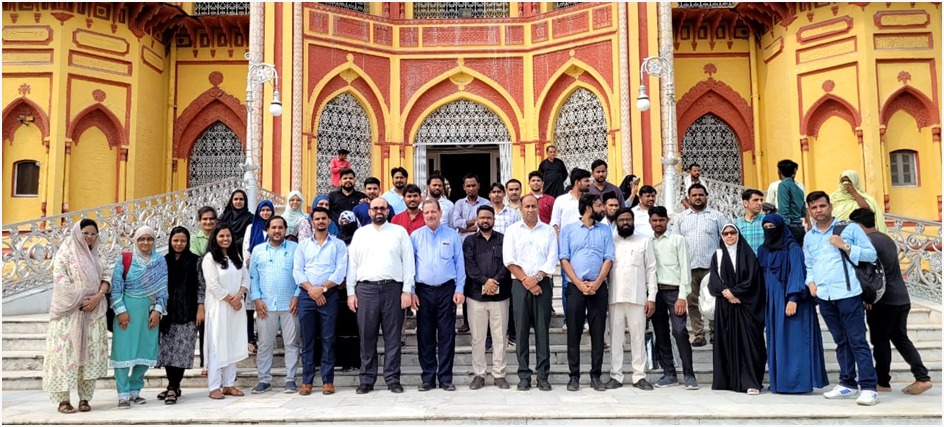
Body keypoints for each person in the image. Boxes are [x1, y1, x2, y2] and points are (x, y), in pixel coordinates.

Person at [803, 191, 879, 406]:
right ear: (809, 210)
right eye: (814, 207)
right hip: (824, 295)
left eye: (822, 206)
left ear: (830, 206)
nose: (818, 210)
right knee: (840, 341)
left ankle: (869, 387)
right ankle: (847, 383)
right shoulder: (810, 236)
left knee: (857, 341)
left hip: (848, 293)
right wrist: (811, 283)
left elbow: (871, 255)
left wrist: (845, 246)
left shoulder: (850, 229)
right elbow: (809, 264)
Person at [849, 208, 932, 395]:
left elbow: (868, 274)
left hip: (882, 299)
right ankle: (922, 377)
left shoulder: (868, 242)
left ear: (857, 225)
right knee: (900, 338)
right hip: (901, 297)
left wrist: (868, 297)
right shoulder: (886, 238)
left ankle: (883, 382)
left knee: (880, 341)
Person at [347, 197, 415, 395]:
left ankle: (393, 378)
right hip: (366, 290)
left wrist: (406, 290)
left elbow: (408, 263)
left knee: (393, 337)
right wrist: (351, 292)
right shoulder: (360, 234)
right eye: (375, 208)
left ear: (388, 211)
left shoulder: (399, 232)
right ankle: (367, 379)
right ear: (369, 211)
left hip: (392, 290)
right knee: (367, 337)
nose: (378, 211)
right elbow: (352, 265)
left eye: (382, 208)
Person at [44, 220, 112, 414]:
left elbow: (106, 277)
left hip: (94, 311)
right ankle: (63, 400)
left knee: (89, 354)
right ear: (76, 233)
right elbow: (61, 282)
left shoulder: (98, 254)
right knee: (65, 355)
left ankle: (85, 399)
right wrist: (83, 298)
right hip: (69, 313)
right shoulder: (65, 254)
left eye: (93, 234)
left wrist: (97, 297)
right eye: (85, 233)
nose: (90, 237)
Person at [757, 214, 828, 394]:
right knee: (777, 342)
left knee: (795, 343)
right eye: (767, 227)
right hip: (772, 302)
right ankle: (780, 382)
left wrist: (793, 299)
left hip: (791, 300)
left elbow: (798, 272)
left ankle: (797, 383)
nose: (770, 231)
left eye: (773, 227)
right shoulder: (763, 250)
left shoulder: (793, 248)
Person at [559, 193, 614, 392]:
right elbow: (564, 259)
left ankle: (596, 375)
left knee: (598, 332)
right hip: (575, 287)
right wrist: (579, 284)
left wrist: (598, 282)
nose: (602, 209)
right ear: (588, 207)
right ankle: (574, 376)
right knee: (573, 332)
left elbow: (609, 258)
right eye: (599, 205)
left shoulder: (605, 230)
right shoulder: (569, 230)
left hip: (598, 288)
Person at [503, 194, 558, 391]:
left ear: (538, 207)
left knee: (542, 331)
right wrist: (527, 281)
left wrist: (538, 278)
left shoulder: (549, 232)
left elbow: (552, 258)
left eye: (534, 206)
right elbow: (509, 260)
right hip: (519, 284)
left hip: (543, 283)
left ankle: (543, 376)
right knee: (521, 331)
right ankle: (524, 375)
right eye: (527, 206)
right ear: (521, 209)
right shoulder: (512, 231)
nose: (531, 210)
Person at [110, 226, 168, 408]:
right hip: (127, 312)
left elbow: (163, 290)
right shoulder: (125, 259)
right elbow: (116, 287)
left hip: (149, 313)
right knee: (123, 352)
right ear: (135, 240)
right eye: (142, 239)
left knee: (145, 351)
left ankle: (135, 391)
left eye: (149, 239)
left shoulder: (159, 261)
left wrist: (158, 311)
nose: (146, 243)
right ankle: (123, 394)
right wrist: (121, 311)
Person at [411, 199, 466, 391]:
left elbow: (460, 264)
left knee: (446, 335)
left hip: (446, 290)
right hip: (423, 291)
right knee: (425, 336)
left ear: (440, 213)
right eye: (426, 212)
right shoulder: (415, 236)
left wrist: (459, 289)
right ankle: (427, 378)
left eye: (433, 212)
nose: (430, 215)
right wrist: (411, 291)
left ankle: (445, 378)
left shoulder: (452, 236)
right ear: (422, 214)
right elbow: (410, 267)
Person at [294, 207, 348, 396]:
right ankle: (307, 381)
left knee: (328, 338)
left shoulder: (338, 245)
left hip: (330, 295)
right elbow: (297, 272)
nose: (320, 221)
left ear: (329, 221)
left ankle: (327, 381)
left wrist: (322, 288)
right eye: (317, 219)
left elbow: (340, 272)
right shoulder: (303, 246)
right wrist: (312, 290)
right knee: (307, 340)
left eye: (324, 218)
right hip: (307, 296)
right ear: (312, 222)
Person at [707, 224, 767, 395]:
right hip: (726, 307)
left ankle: (751, 382)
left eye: (733, 233)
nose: (729, 236)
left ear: (738, 234)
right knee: (726, 342)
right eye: (725, 234)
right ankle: (729, 381)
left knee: (751, 345)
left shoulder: (748, 255)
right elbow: (714, 279)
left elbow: (753, 279)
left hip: (746, 305)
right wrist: (727, 293)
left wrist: (735, 292)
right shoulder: (717, 255)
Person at [606, 207, 657, 391]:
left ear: (633, 221)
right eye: (622, 220)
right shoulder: (610, 241)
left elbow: (651, 269)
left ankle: (639, 376)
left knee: (638, 338)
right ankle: (616, 375)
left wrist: (651, 298)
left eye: (628, 219)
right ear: (616, 222)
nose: (625, 222)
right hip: (615, 297)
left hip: (638, 297)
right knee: (616, 339)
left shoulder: (644, 240)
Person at [250, 216, 301, 394]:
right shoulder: (258, 250)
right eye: (273, 228)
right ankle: (264, 380)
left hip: (290, 304)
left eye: (280, 227)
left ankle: (290, 379)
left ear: (285, 230)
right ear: (268, 230)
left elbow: (301, 274)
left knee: (292, 344)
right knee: (264, 344)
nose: (277, 231)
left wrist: (297, 296)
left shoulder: (296, 249)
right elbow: (253, 277)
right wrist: (256, 299)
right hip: (265, 305)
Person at [649, 206, 698, 390]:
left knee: (679, 332)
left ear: (667, 221)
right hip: (656, 293)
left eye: (661, 220)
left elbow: (685, 268)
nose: (658, 223)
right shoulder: (649, 243)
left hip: (674, 292)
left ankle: (689, 375)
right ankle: (669, 373)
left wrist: (682, 297)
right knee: (660, 333)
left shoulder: (678, 240)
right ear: (650, 222)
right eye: (655, 220)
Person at [463, 205, 512, 390]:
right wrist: (485, 282)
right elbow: (470, 266)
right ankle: (479, 374)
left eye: (489, 218)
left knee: (500, 337)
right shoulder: (469, 241)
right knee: (478, 338)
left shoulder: (503, 239)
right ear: (477, 219)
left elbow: (507, 263)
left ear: (494, 220)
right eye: (482, 217)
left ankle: (499, 374)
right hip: (476, 296)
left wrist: (494, 282)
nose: (485, 220)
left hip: (500, 297)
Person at [157, 226, 205, 405]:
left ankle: (172, 386)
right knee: (168, 352)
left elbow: (201, 286)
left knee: (182, 352)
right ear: (170, 241)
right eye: (176, 240)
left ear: (188, 242)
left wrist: (201, 307)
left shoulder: (195, 261)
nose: (179, 244)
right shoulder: (163, 261)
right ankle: (173, 386)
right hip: (167, 313)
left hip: (188, 312)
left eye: (183, 241)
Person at [674, 183, 726, 347]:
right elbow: (676, 243)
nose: (697, 198)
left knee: (712, 300)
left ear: (706, 197)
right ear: (688, 198)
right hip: (688, 267)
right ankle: (698, 334)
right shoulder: (681, 218)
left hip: (712, 267)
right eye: (694, 195)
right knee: (692, 301)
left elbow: (726, 239)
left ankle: (714, 331)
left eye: (700, 195)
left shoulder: (717, 216)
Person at [202, 223, 250, 400]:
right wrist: (231, 300)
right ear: (215, 238)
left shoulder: (236, 256)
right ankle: (214, 386)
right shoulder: (209, 258)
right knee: (217, 344)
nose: (225, 239)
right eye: (221, 236)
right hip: (219, 307)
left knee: (234, 342)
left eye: (228, 236)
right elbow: (213, 284)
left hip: (236, 308)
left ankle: (229, 384)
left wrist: (239, 296)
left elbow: (245, 277)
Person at [551, 167, 591, 328]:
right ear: (577, 182)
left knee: (587, 282)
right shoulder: (561, 200)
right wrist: (561, 246)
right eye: (587, 180)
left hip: (586, 249)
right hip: (567, 250)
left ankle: (586, 319)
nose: (589, 183)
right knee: (568, 284)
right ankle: (569, 320)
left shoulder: (589, 200)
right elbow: (554, 223)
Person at [334, 211, 361, 372]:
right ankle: (343, 361)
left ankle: (356, 361)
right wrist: (339, 280)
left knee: (355, 327)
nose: (345, 224)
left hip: (357, 288)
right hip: (337, 289)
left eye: (348, 221)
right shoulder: (336, 241)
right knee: (340, 327)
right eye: (342, 221)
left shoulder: (361, 240)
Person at [776, 159, 807, 244]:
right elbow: (803, 212)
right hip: (799, 227)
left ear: (780, 172)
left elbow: (783, 209)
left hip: (789, 227)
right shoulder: (799, 189)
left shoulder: (783, 185)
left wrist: (783, 229)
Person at [452, 173, 490, 241]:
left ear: (478, 186)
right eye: (468, 186)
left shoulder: (486, 203)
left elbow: (485, 224)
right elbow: (456, 223)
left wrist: (464, 229)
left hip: (480, 241)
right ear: (464, 187)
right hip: (462, 242)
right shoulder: (459, 203)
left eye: (473, 185)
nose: (471, 188)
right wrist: (475, 221)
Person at [736, 189, 766, 254]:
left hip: (763, 262)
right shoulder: (736, 223)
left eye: (761, 200)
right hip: (744, 262)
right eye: (755, 200)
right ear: (745, 203)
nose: (760, 203)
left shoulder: (766, 221)